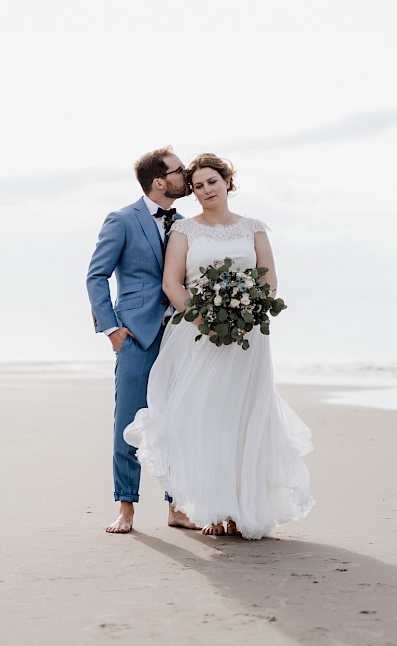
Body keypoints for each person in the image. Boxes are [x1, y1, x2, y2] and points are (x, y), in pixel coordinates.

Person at [124, 153, 314, 539]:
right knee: (206, 419)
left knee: (244, 418)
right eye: (197, 186)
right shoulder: (185, 232)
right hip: (198, 338)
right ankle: (212, 507)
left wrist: (248, 313)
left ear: (227, 182)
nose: (206, 190)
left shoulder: (254, 228)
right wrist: (205, 320)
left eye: (212, 181)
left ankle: (241, 509)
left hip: (249, 340)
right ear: (192, 193)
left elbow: (270, 281)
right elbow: (172, 285)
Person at [86, 146, 198, 534]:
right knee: (129, 421)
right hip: (136, 335)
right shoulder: (121, 220)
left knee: (178, 421)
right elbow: (96, 275)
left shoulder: (186, 223)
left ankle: (176, 506)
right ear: (158, 181)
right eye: (179, 171)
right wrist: (111, 328)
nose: (187, 175)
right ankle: (126, 507)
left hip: (181, 336)